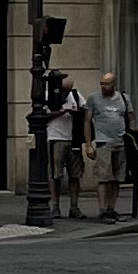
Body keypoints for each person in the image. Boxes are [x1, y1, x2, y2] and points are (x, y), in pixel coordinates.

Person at [85, 70, 134, 219]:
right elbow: (87, 121)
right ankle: (102, 209)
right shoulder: (93, 98)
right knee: (103, 177)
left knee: (117, 177)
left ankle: (111, 207)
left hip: (120, 141)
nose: (103, 87)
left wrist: (131, 135)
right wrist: (89, 144)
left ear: (114, 84)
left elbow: (131, 117)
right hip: (103, 141)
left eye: (106, 84)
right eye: (101, 83)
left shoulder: (123, 98)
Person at [44, 70, 81, 205]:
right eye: (65, 90)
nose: (67, 92)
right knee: (55, 174)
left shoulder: (75, 95)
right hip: (55, 137)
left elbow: (84, 111)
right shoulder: (47, 95)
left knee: (75, 174)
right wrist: (60, 112)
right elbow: (42, 116)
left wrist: (75, 111)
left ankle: (74, 206)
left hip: (73, 139)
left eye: (69, 90)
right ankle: (55, 204)